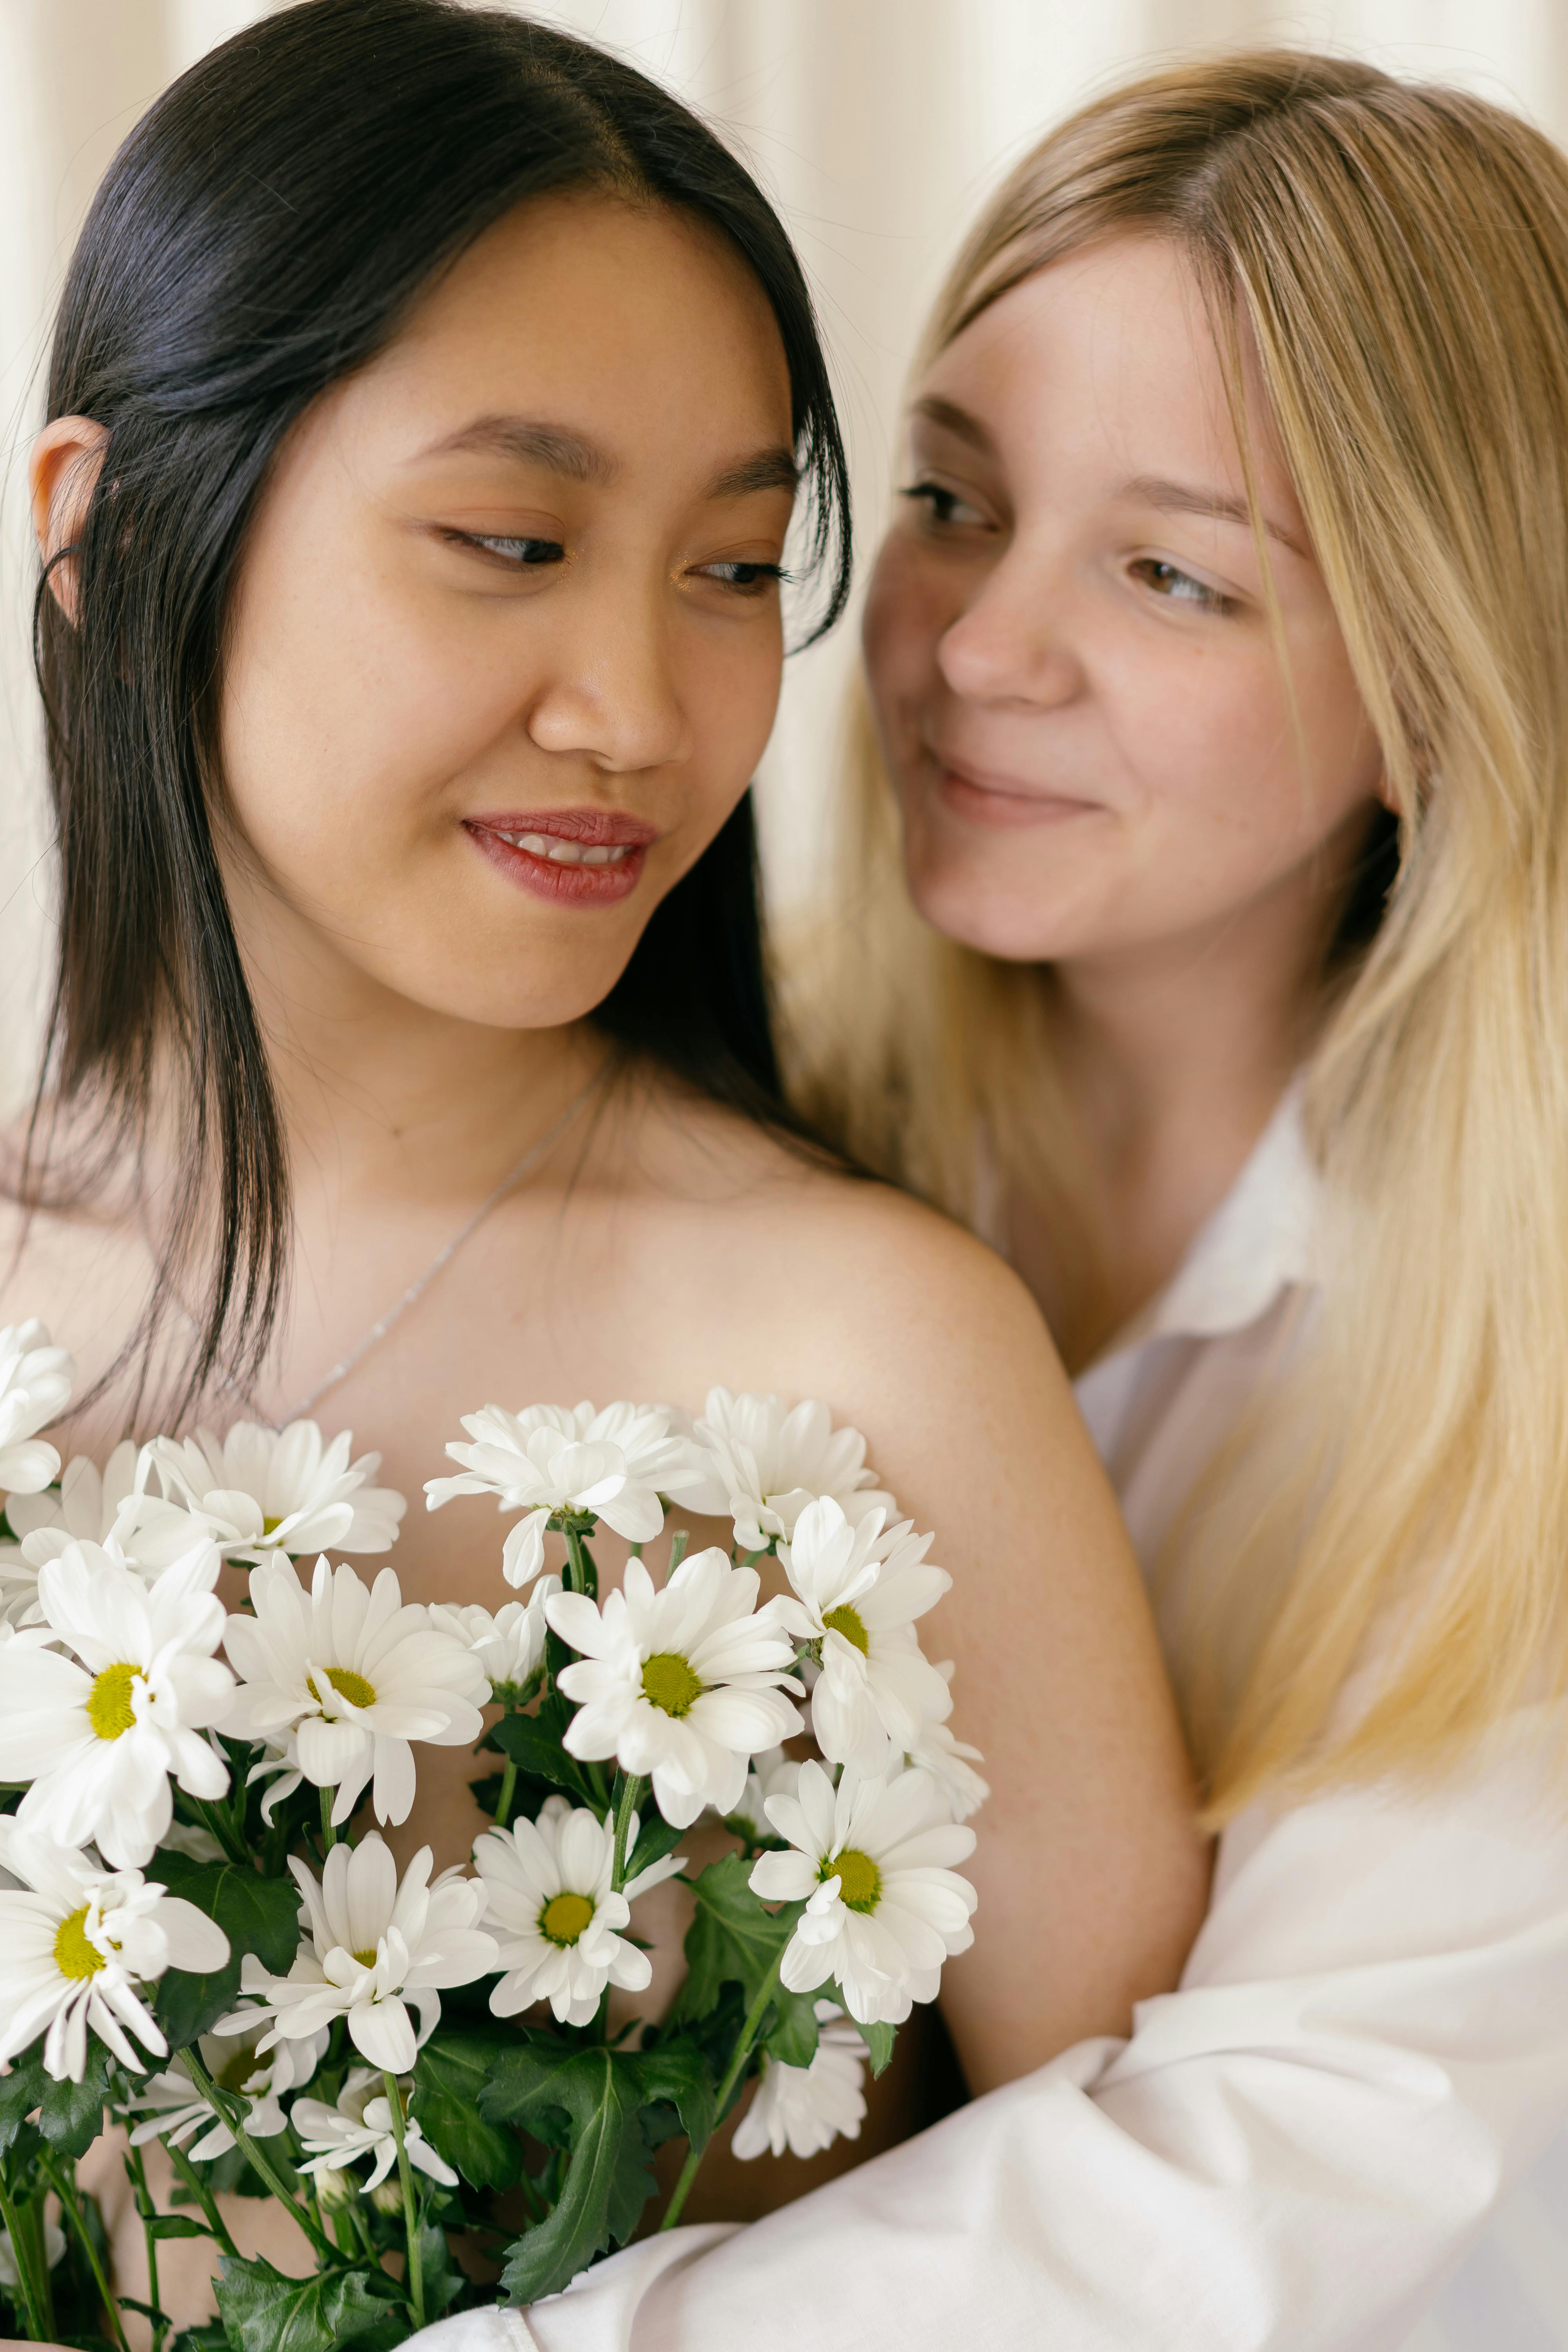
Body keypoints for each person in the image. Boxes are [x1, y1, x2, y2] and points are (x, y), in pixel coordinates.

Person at [0, 2, 1206, 2341]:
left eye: (736, 571)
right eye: (511, 539)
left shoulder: (870, 1357)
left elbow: (1198, 2257)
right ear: (105, 531)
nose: (642, 716)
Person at [434, 49, 1568, 2352]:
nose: (972, 649)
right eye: (951, 502)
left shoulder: (1514, 1351)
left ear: (1445, 682)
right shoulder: (752, 1123)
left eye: (1170, 572)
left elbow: (1244, 2177)